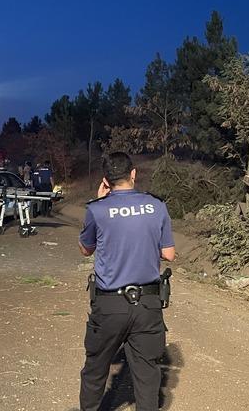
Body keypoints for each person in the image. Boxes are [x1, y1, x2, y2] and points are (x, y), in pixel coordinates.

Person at [78, 152, 176, 411]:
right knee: (147, 375)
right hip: (147, 304)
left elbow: (85, 249)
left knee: (96, 369)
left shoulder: (96, 209)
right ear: (133, 173)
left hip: (109, 305)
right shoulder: (157, 206)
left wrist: (101, 203)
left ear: (106, 181)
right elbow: (169, 254)